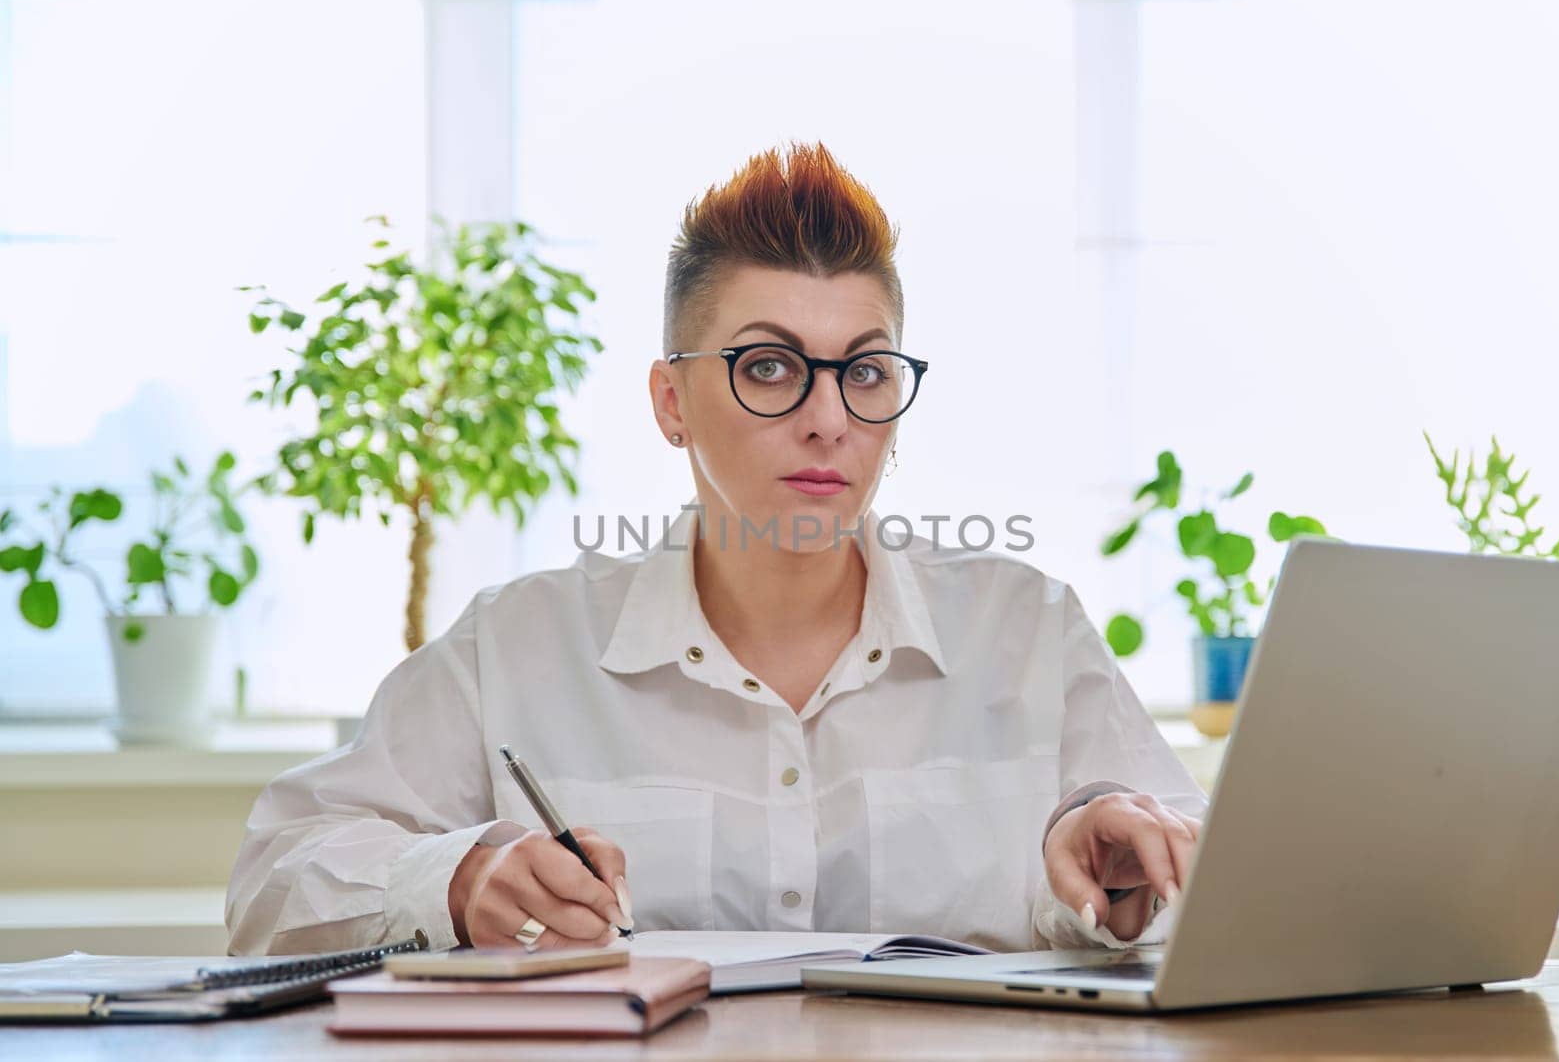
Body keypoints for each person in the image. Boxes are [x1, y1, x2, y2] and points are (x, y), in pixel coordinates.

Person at [225, 141, 1207, 957]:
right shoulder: (519, 645)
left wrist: (1118, 880)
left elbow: (1207, 894)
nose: (828, 418)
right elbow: (272, 879)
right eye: (769, 365)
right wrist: (452, 876)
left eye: (864, 370)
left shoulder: (1028, 630)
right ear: (669, 401)